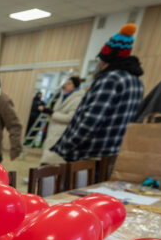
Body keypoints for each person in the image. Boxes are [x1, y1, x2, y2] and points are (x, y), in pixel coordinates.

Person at [50, 24, 144, 163]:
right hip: (112, 153)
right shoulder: (136, 82)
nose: (98, 63)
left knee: (78, 186)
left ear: (106, 59)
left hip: (88, 155)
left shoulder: (110, 79)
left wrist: (67, 146)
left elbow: (91, 121)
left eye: (99, 58)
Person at [39, 76, 85, 165]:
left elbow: (70, 118)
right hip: (53, 133)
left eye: (69, 84)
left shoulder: (77, 99)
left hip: (62, 135)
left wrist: (51, 113)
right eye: (65, 83)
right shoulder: (63, 97)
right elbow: (56, 113)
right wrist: (46, 110)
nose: (65, 86)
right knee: (48, 163)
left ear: (75, 86)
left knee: (55, 165)